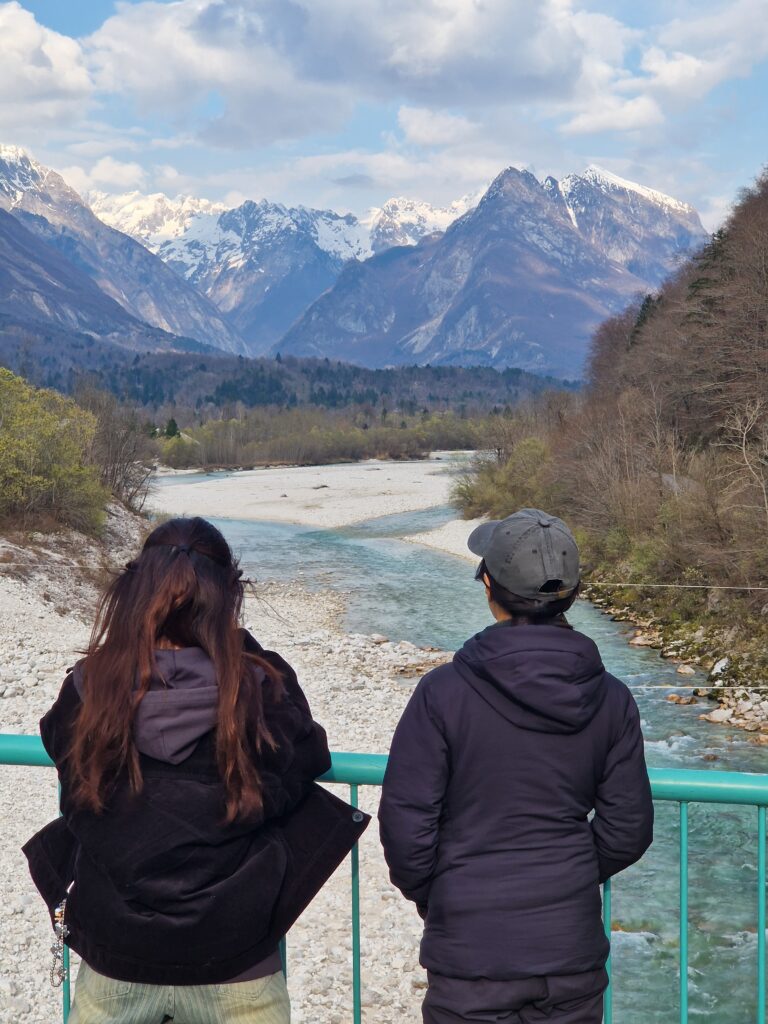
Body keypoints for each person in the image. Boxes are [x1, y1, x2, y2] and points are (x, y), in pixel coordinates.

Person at [24, 516, 368, 1024]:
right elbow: (308, 758)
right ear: (228, 595)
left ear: (134, 592)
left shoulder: (89, 687)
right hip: (236, 956)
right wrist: (240, 649)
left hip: (117, 954)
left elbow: (63, 754)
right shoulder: (261, 687)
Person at [379, 508, 653, 1024]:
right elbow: (628, 830)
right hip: (569, 952)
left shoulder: (443, 692)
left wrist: (445, 893)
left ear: (489, 585)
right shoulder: (612, 698)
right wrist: (567, 873)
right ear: (572, 594)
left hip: (470, 952)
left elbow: (407, 826)